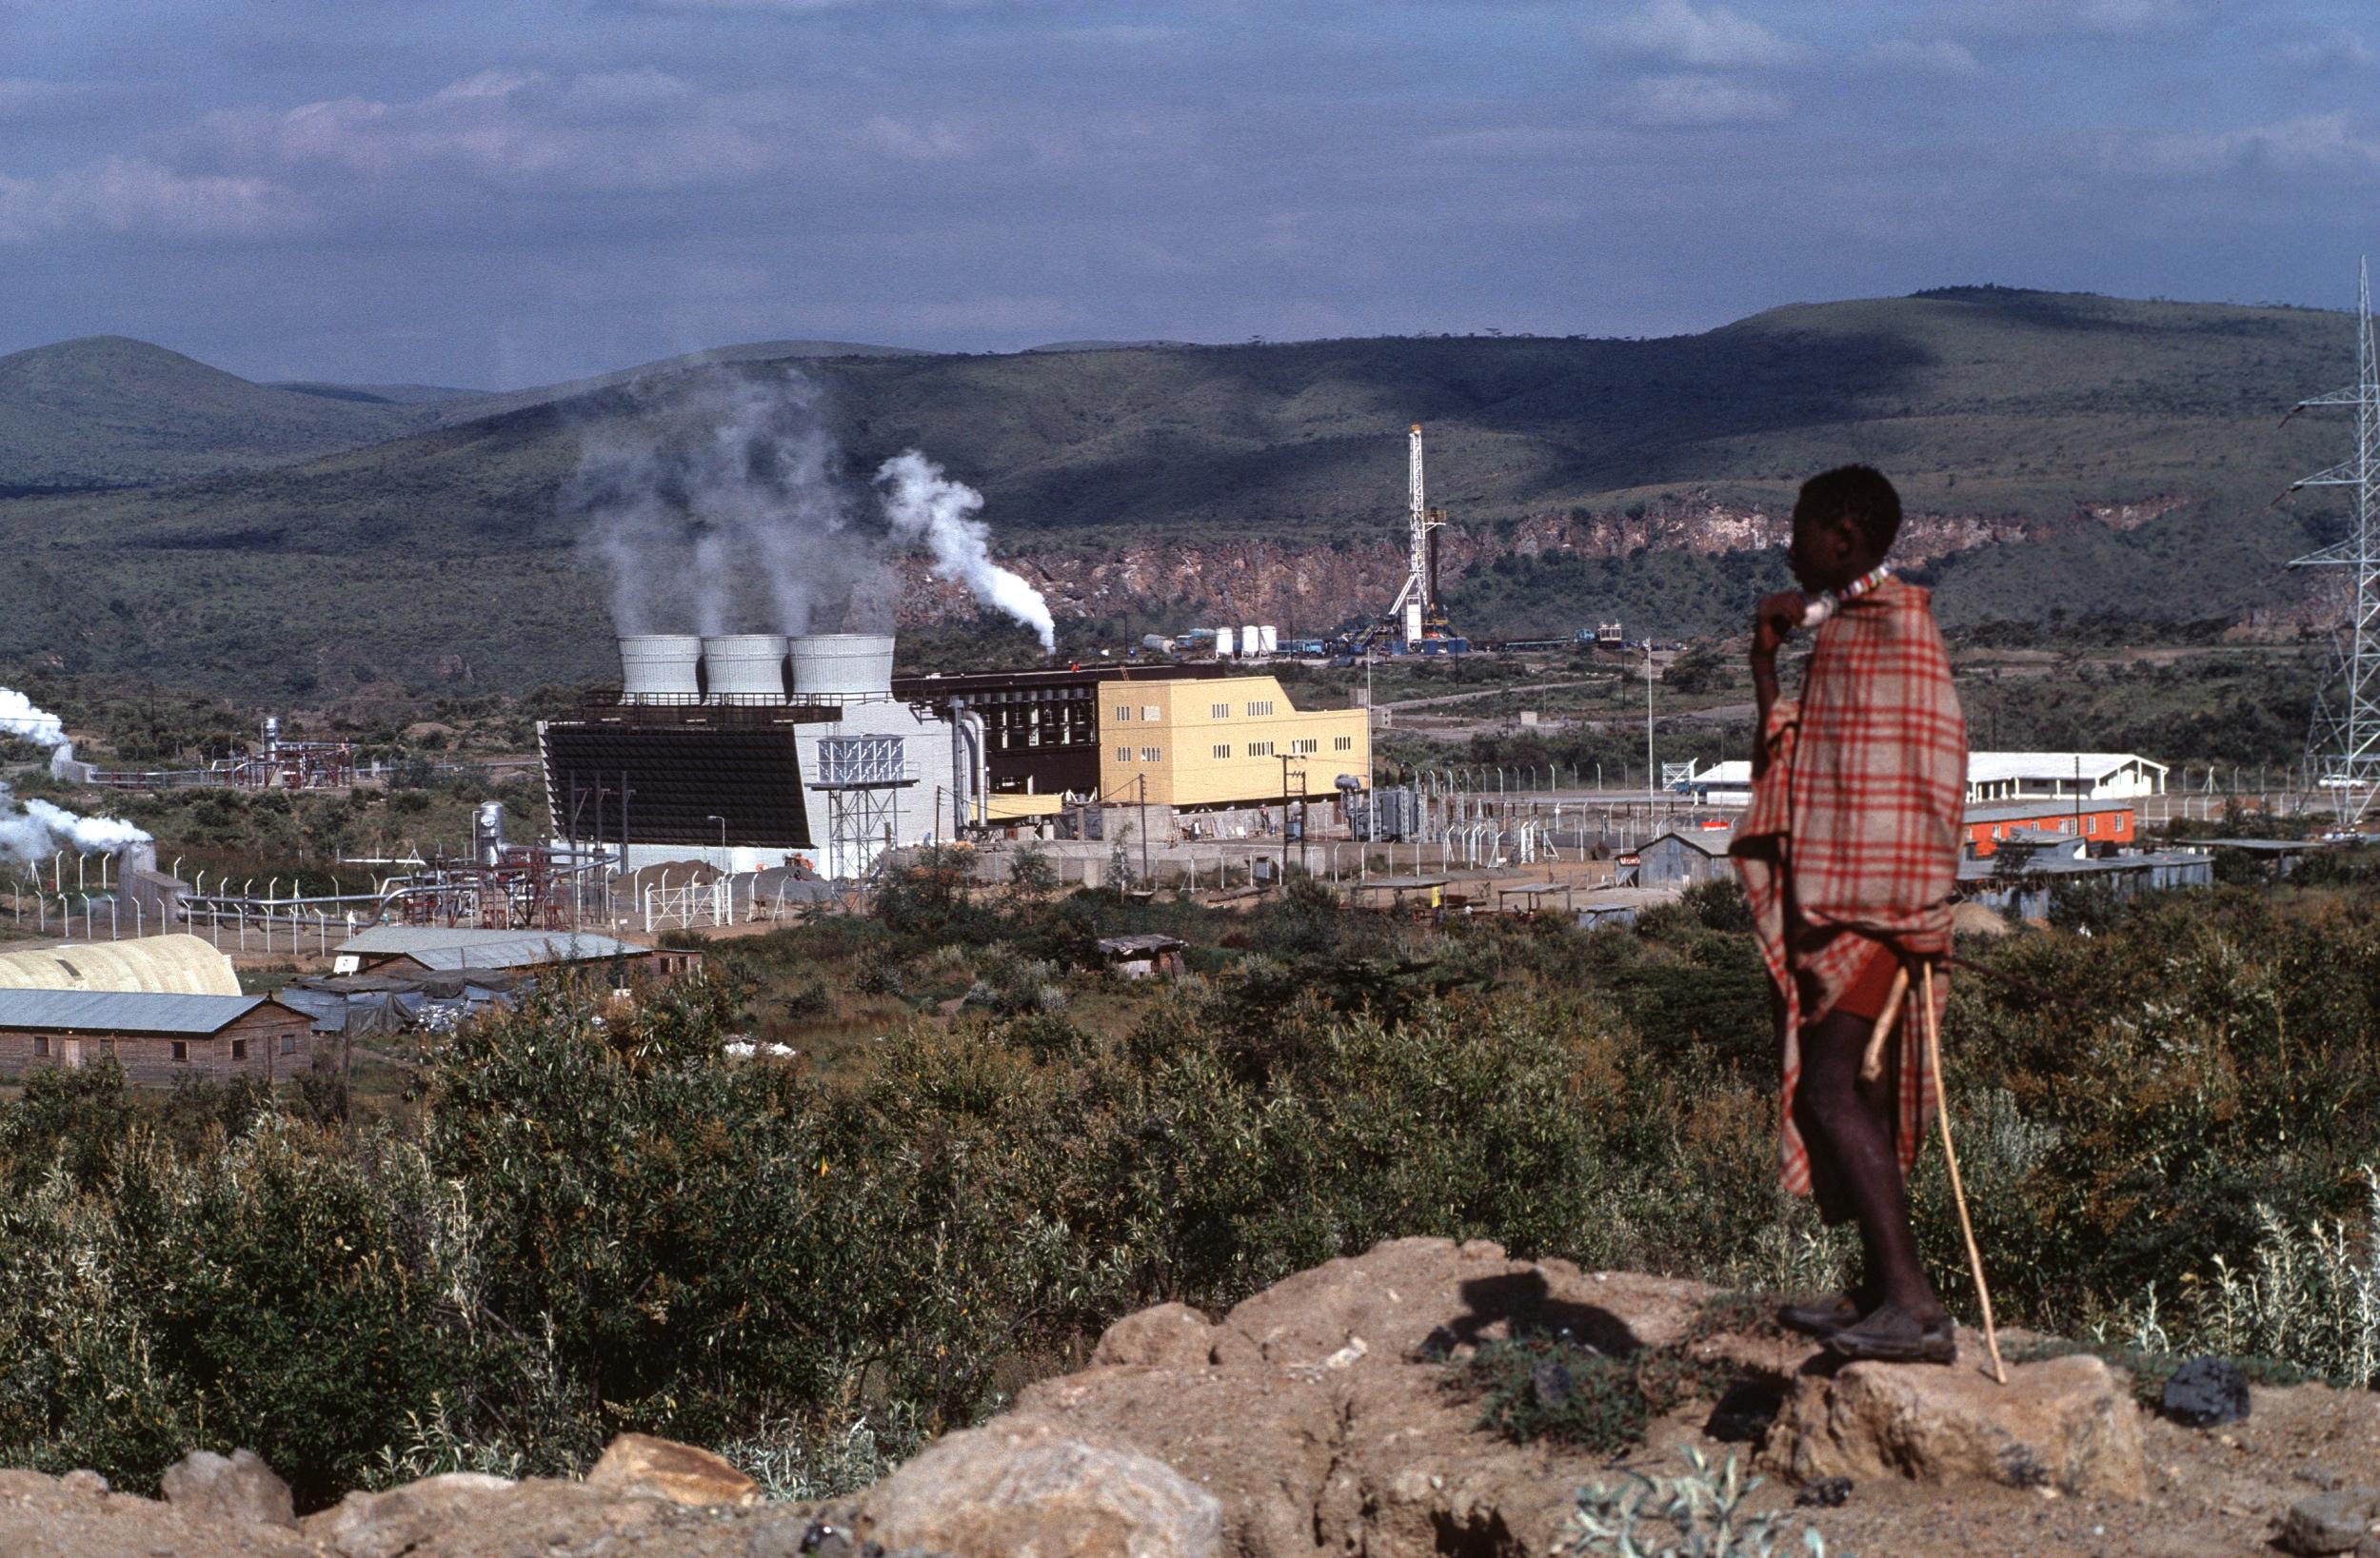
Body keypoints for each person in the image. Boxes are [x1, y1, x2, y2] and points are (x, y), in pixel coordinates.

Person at [1730, 465, 1968, 1364]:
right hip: (1860, 906)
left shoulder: (1897, 627)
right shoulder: (1848, 633)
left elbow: (1924, 779)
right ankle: (1877, 1291)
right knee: (1859, 1091)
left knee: (1830, 1090)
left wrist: (1898, 900)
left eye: (1797, 527)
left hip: (1884, 907)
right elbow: (1795, 763)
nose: (1786, 544)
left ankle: (1912, 1300)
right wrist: (1764, 660)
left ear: (1840, 535)